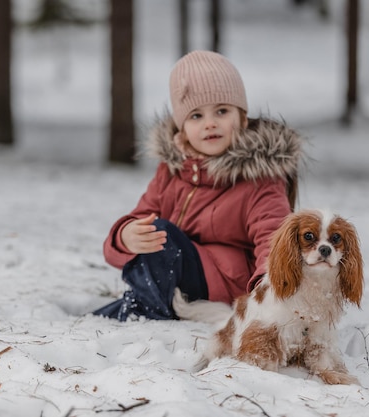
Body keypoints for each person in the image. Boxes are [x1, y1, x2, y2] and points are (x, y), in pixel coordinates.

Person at [93, 50, 302, 321]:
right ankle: (137, 308)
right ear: (181, 129)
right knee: (150, 233)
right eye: (196, 116)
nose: (210, 123)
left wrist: (268, 291)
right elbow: (141, 217)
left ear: (242, 117)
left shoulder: (259, 178)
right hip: (171, 280)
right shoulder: (171, 172)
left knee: (161, 235)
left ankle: (143, 312)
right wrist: (125, 236)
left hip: (225, 288)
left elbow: (273, 239)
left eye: (222, 111)